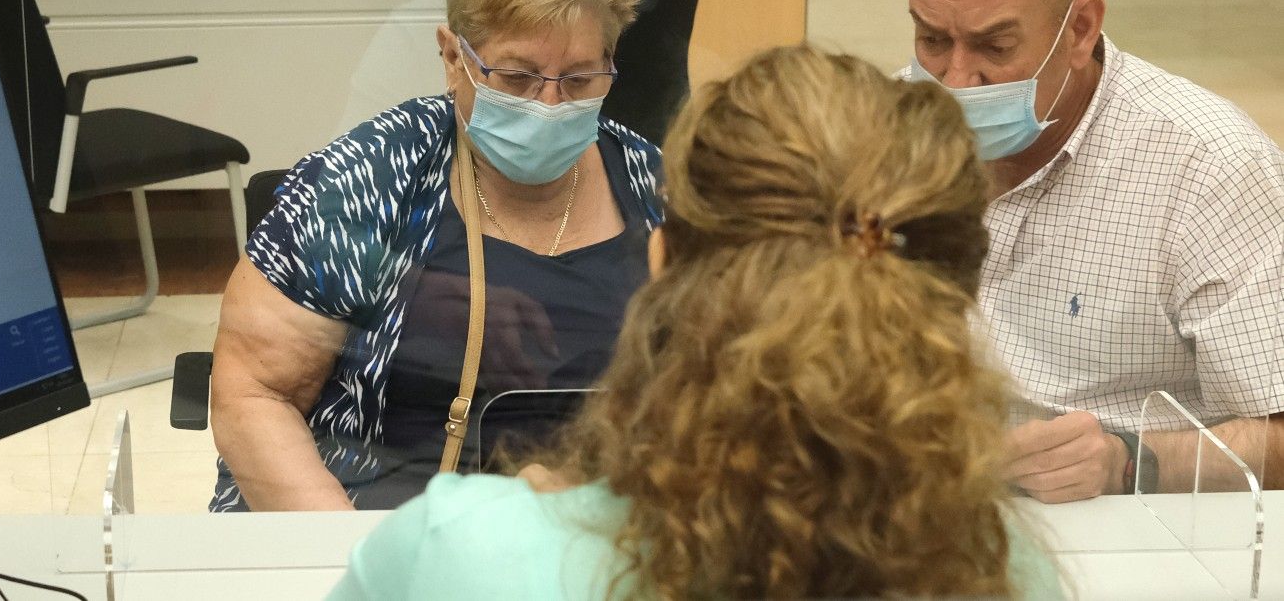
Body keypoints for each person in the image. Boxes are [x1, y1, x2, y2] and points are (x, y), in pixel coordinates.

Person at [328, 47, 1065, 600]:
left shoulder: (456, 559)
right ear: (953, 291)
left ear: (662, 258)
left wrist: (542, 525)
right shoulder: (1005, 573)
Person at [210, 0, 662, 511]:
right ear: (454, 59)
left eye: (580, 79)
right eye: (519, 76)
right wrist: (357, 567)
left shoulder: (658, 193)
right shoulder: (368, 180)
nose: (551, 104)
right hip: (386, 534)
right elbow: (252, 393)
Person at [907, 0, 1284, 503]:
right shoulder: (885, 128)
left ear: (1079, 29)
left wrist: (1130, 460)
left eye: (995, 46)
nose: (956, 82)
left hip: (1122, 527)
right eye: (931, 40)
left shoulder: (1212, 170)